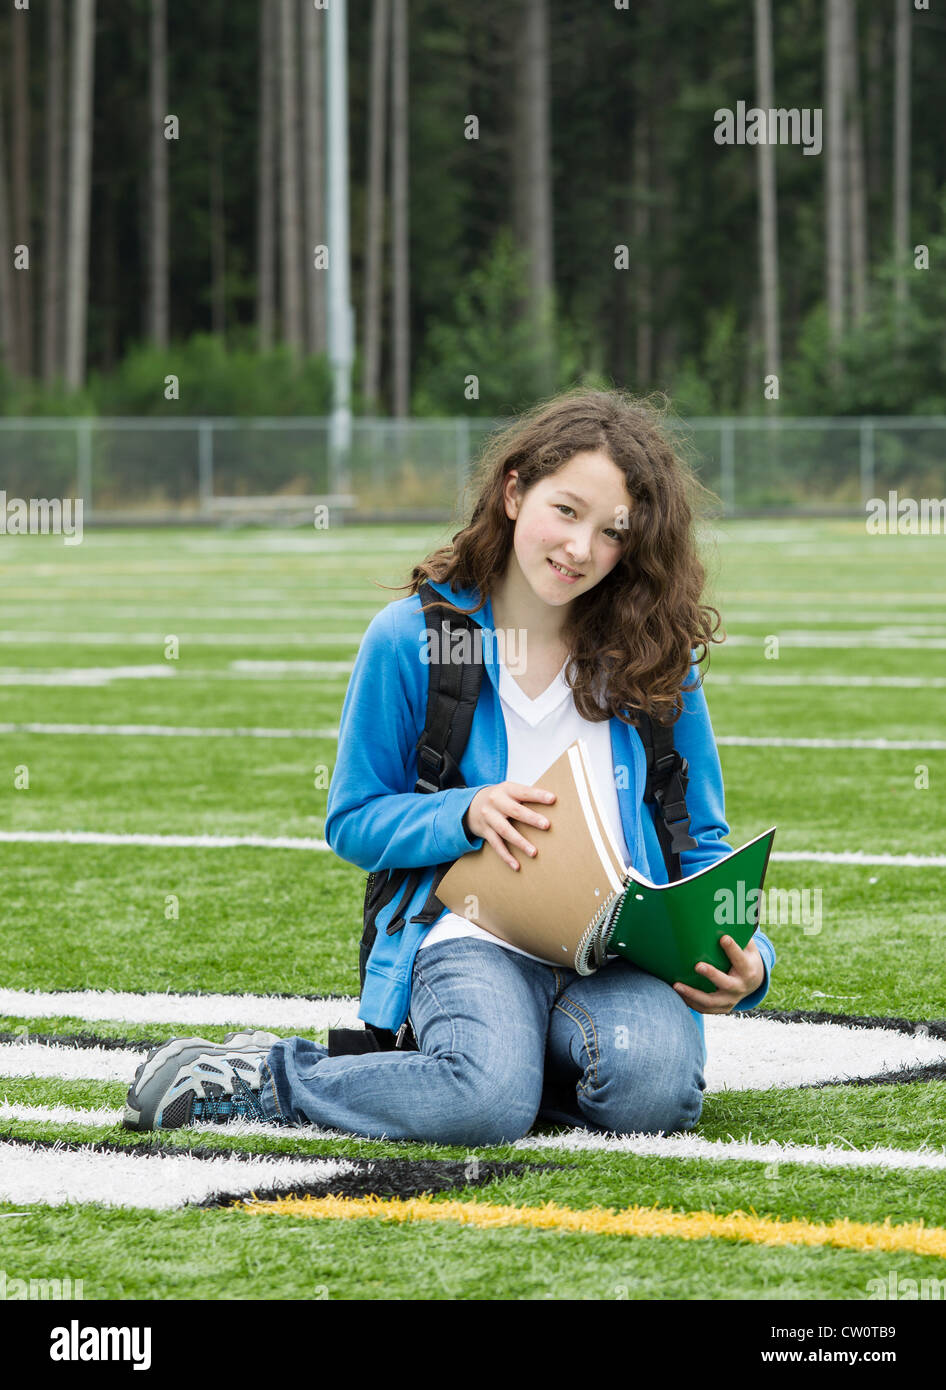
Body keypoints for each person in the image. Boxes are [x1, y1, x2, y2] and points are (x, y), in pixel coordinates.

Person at [124, 387, 776, 1140]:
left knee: (655, 1097)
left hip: (614, 955)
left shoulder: (657, 653)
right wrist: (462, 813)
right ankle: (268, 1077)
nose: (579, 549)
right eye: (565, 511)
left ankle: (492, 1069)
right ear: (513, 491)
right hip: (467, 934)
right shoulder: (411, 638)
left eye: (613, 532)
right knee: (484, 1101)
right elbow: (353, 819)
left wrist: (750, 956)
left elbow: (702, 845)